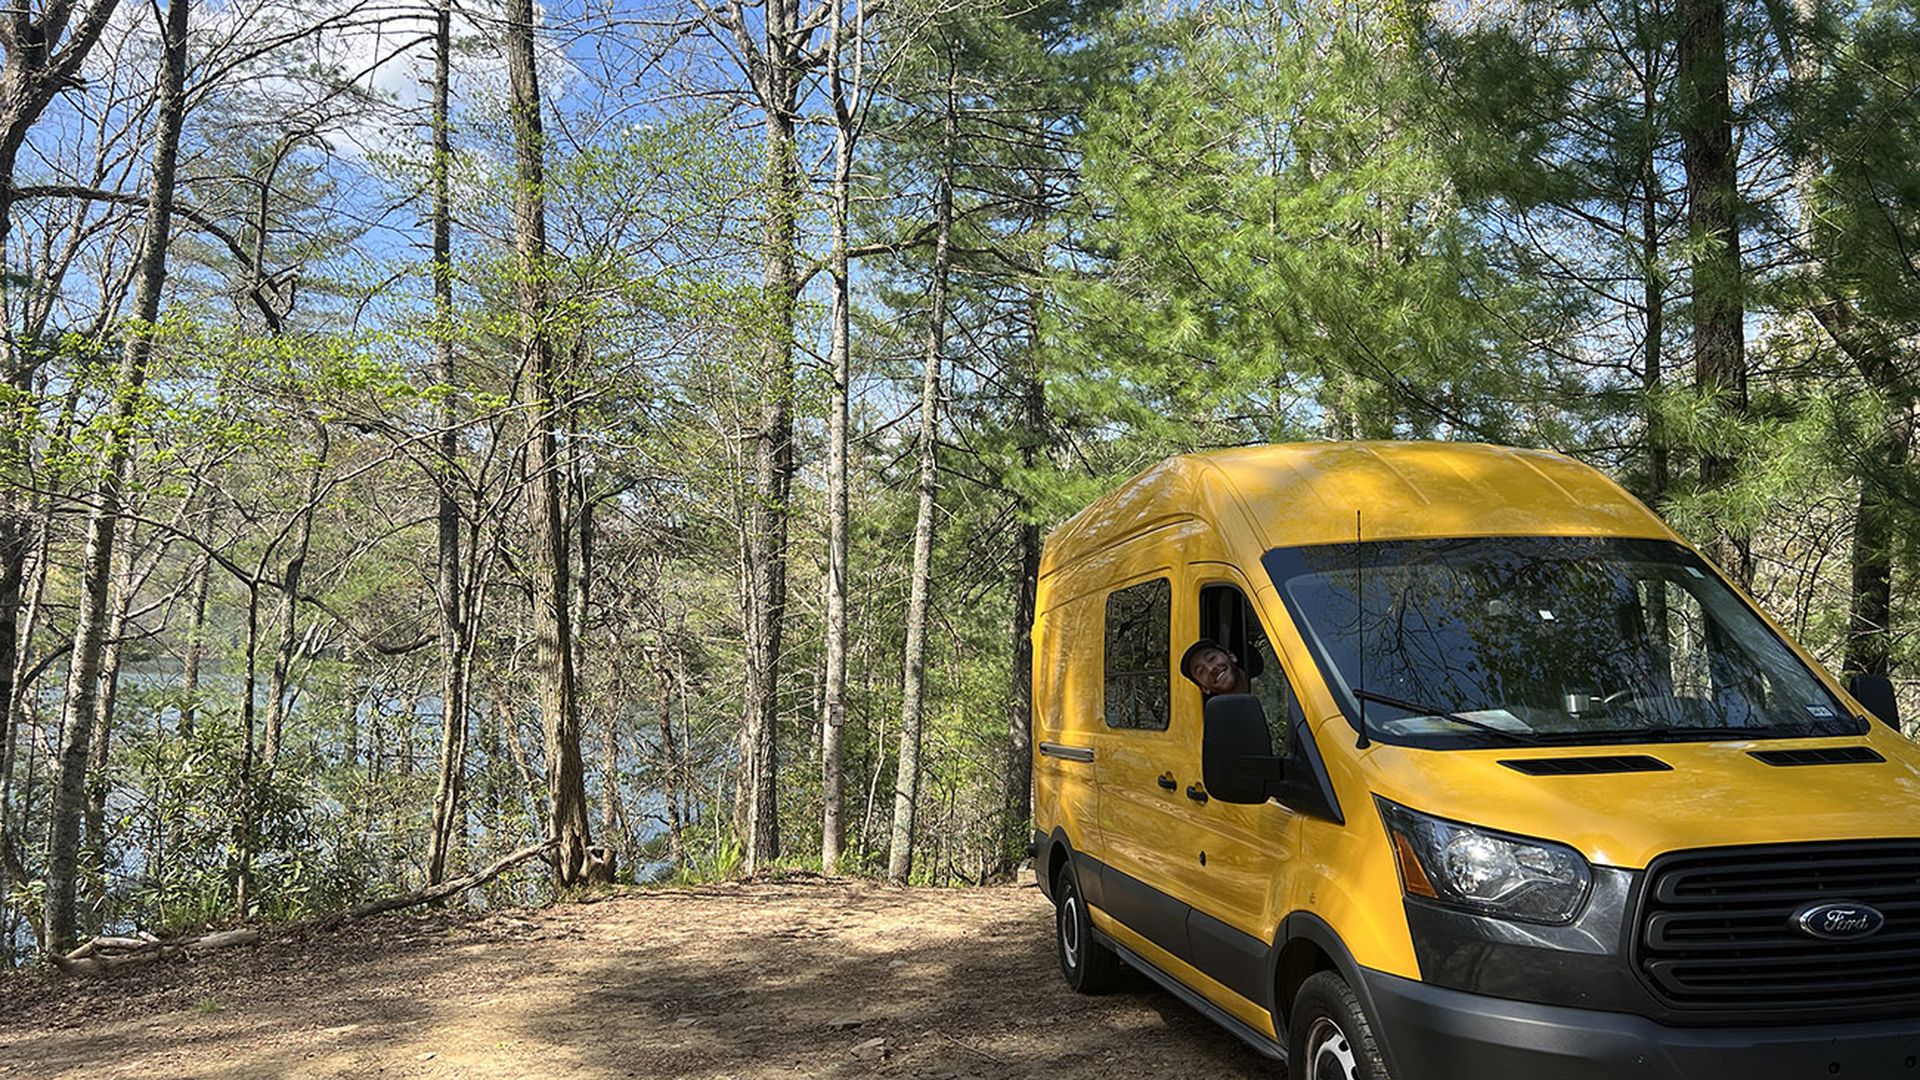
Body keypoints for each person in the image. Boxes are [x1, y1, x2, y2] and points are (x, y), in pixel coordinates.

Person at [1181, 638, 1250, 697]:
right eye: (1201, 671)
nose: (1211, 668)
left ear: (1231, 656)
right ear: (1205, 689)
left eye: (1212, 658)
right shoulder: (1222, 712)